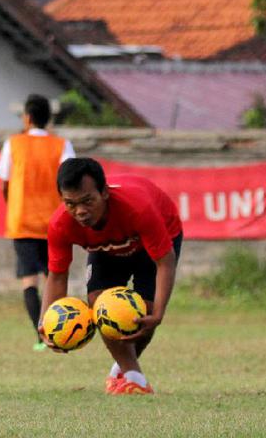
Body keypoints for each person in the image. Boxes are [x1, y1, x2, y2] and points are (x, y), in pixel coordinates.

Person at [38, 157, 183, 395]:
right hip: (106, 250)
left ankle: (121, 370)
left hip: (154, 243)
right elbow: (57, 276)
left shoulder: (139, 208)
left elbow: (165, 262)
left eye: (87, 201)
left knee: (142, 314)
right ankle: (135, 379)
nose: (80, 211)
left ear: (104, 193)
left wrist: (159, 312)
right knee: (100, 304)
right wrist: (45, 324)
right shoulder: (60, 224)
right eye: (71, 204)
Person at [0, 94, 74, 351]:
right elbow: (71, 181)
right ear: (49, 118)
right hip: (55, 222)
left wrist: (14, 205)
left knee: (29, 282)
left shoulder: (14, 144)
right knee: (56, 278)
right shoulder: (62, 145)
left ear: (27, 118)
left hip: (23, 222)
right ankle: (61, 331)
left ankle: (41, 336)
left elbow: (4, 183)